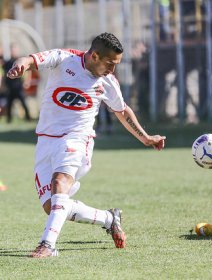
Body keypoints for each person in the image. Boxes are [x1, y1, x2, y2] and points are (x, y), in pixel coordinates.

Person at [6, 33, 166, 258]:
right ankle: (109, 219)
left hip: (77, 139)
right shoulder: (64, 59)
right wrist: (21, 64)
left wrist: (146, 138)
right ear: (95, 55)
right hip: (45, 140)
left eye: (116, 64)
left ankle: (47, 245)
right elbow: (30, 59)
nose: (113, 69)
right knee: (52, 207)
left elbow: (121, 111)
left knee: (60, 182)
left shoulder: (108, 82)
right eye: (110, 63)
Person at [3, 44, 31, 123]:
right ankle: (9, 120)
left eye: (15, 50)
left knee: (24, 103)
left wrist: (27, 81)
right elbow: (4, 75)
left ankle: (28, 118)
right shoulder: (7, 63)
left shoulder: (21, 61)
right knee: (9, 105)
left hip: (19, 87)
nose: (14, 51)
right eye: (12, 50)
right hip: (10, 88)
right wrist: (4, 85)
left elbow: (29, 72)